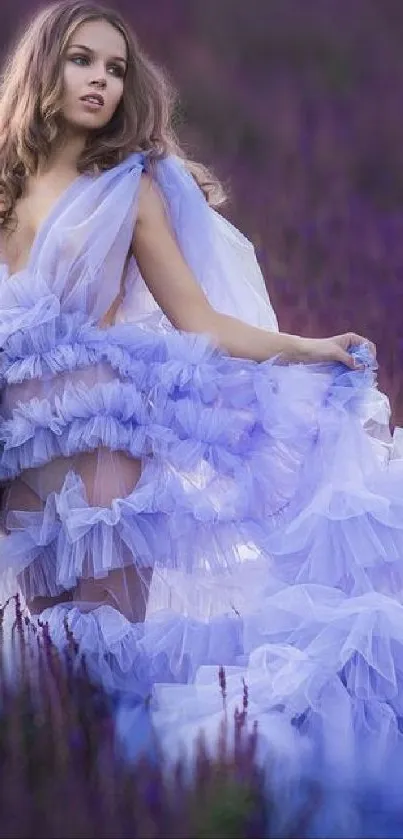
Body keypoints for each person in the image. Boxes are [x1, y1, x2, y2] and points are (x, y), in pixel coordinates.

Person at [0, 0, 401, 783]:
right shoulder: (3, 185)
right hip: (19, 449)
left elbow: (198, 318)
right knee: (39, 671)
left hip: (103, 442)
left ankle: (141, 805)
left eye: (115, 69)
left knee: (108, 670)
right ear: (44, 66)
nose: (100, 82)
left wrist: (304, 347)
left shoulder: (130, 187)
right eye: (83, 60)